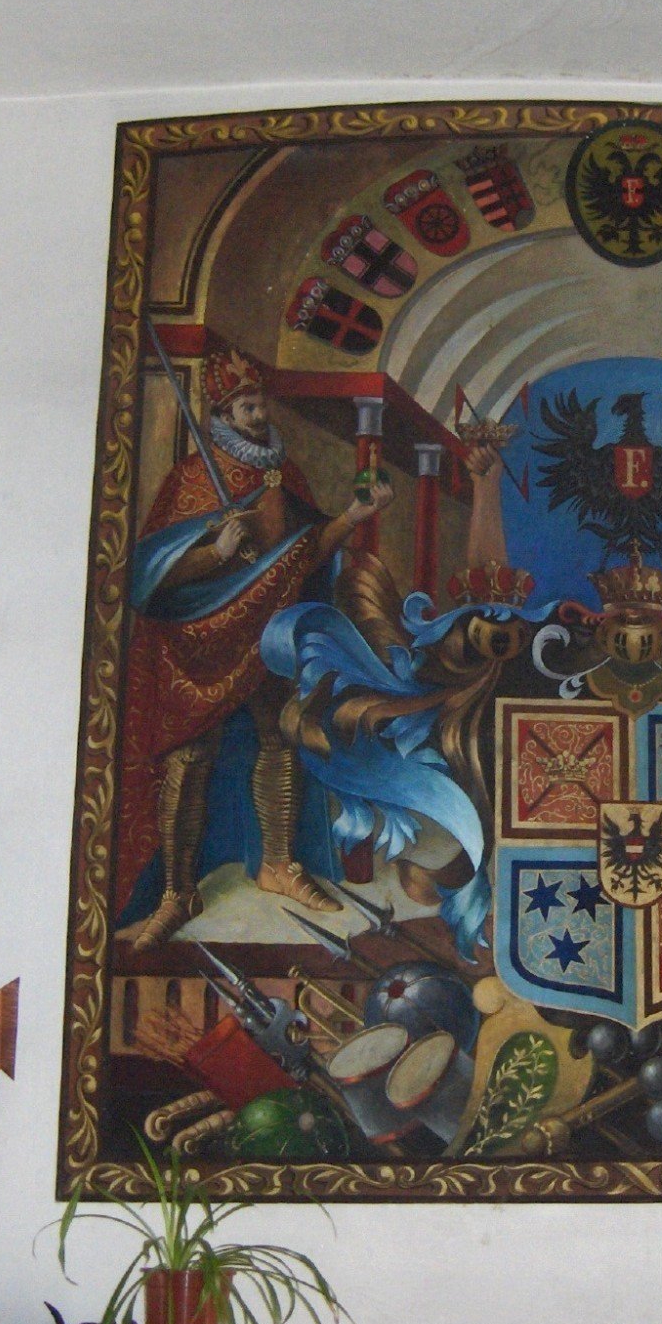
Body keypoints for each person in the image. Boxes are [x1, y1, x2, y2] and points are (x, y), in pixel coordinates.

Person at [114, 348, 393, 947]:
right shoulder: (192, 479)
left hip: (267, 632)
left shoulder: (282, 478)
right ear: (222, 415)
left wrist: (353, 515)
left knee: (280, 737)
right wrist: (213, 553)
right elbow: (149, 577)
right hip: (202, 642)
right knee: (190, 759)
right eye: (246, 406)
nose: (260, 413)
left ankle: (278, 864)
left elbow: (306, 554)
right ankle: (177, 892)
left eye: (262, 402)